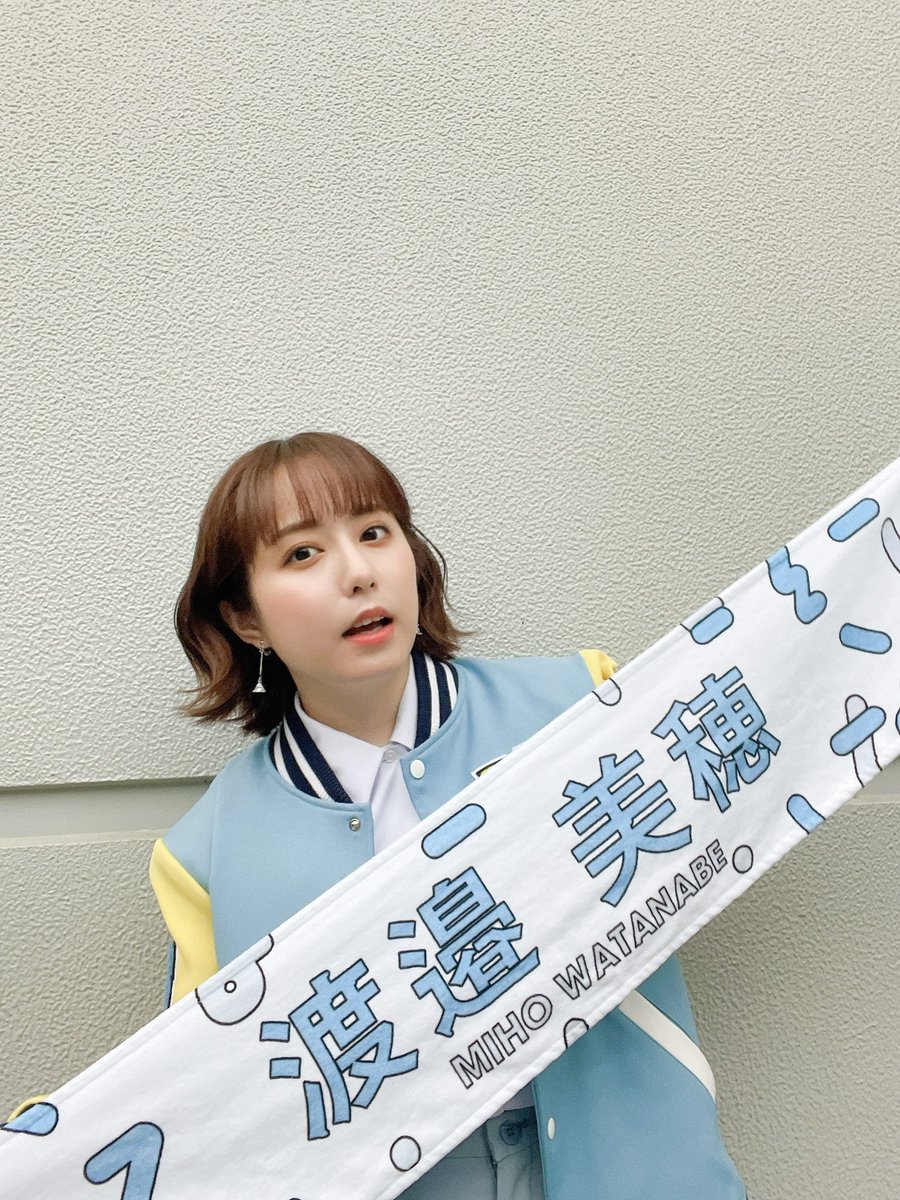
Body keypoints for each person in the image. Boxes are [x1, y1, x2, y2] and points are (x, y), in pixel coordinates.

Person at [151, 431, 747, 1200]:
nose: (358, 572)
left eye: (375, 533)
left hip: (635, 1166)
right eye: (303, 554)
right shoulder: (206, 856)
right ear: (245, 618)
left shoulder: (580, 705)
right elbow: (199, 1099)